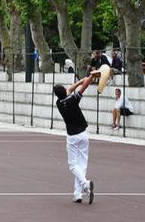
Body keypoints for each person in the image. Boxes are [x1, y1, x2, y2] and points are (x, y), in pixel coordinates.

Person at [53, 71, 98, 204]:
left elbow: (70, 89)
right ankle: (77, 194)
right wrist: (91, 76)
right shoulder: (73, 99)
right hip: (83, 134)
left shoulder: (59, 103)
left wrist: (80, 81)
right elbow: (84, 87)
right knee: (81, 164)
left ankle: (85, 184)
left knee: (73, 166)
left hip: (72, 137)